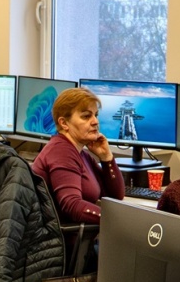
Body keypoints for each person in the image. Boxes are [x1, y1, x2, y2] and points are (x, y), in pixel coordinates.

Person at [30, 87, 125, 226]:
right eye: (86, 116)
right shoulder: (61, 151)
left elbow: (115, 196)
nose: (95, 121)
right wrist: (118, 221)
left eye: (96, 115)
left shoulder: (81, 154)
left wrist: (106, 157)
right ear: (64, 123)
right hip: (64, 239)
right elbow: (72, 205)